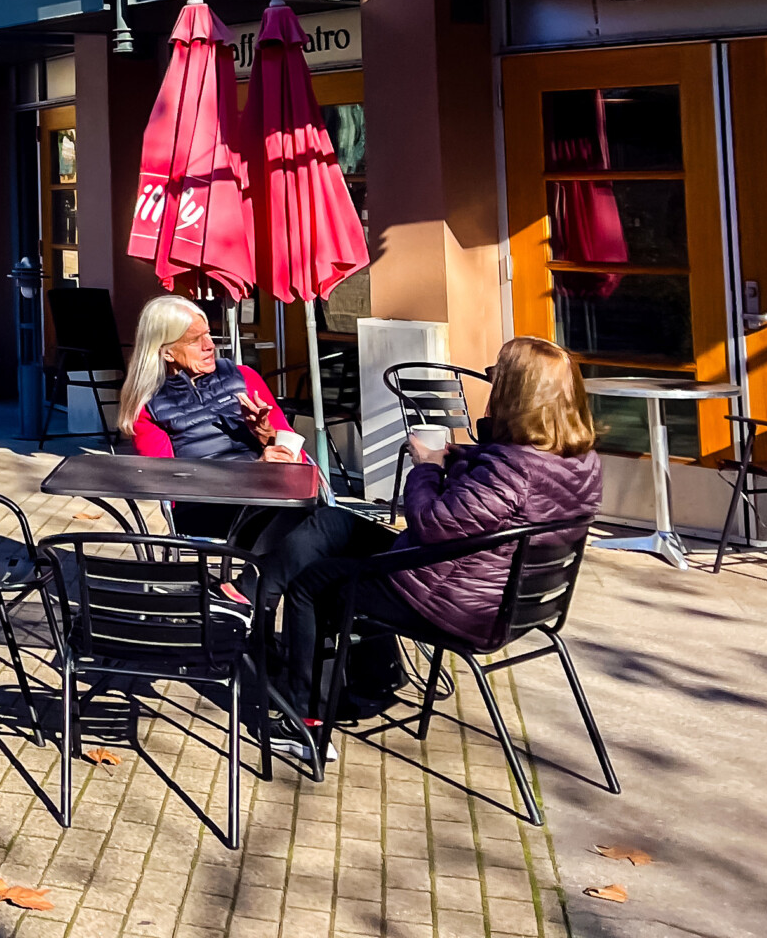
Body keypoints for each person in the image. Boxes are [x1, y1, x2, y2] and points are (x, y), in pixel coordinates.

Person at [266, 335, 603, 719]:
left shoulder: (511, 471)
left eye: (496, 376)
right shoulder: (580, 462)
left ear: (515, 394)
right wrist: (458, 455)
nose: (490, 383)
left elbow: (429, 524)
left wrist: (426, 467)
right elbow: (495, 485)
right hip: (503, 598)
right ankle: (372, 677)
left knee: (314, 584)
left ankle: (304, 716)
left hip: (456, 604)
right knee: (335, 523)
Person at [117, 295, 303, 532]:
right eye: (195, 340)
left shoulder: (244, 377)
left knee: (328, 523)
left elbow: (297, 455)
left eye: (208, 333)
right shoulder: (147, 406)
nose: (210, 345)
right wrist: (254, 472)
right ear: (166, 352)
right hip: (206, 509)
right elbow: (169, 485)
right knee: (316, 525)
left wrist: (267, 435)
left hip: (271, 499)